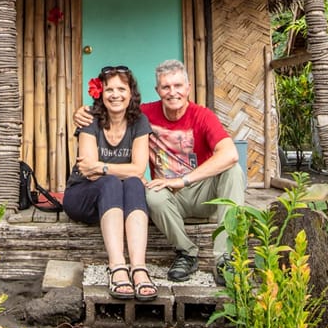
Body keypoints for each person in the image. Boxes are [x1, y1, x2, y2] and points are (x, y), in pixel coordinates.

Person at [76, 59, 242, 285]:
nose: (172, 92)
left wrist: (184, 180)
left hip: (203, 193)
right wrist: (82, 112)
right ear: (157, 90)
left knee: (234, 171)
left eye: (178, 86)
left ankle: (225, 258)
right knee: (150, 194)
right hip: (168, 198)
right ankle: (186, 253)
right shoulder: (144, 115)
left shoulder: (202, 116)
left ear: (188, 88)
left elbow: (230, 154)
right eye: (166, 87)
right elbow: (114, 105)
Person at [63, 65, 157, 301]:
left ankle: (138, 268)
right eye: (109, 90)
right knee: (112, 183)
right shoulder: (90, 120)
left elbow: (138, 169)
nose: (115, 95)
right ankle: (117, 267)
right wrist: (114, 171)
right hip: (83, 196)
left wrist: (103, 167)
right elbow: (89, 171)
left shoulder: (139, 122)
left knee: (134, 184)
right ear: (100, 94)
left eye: (121, 89)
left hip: (117, 201)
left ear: (131, 93)